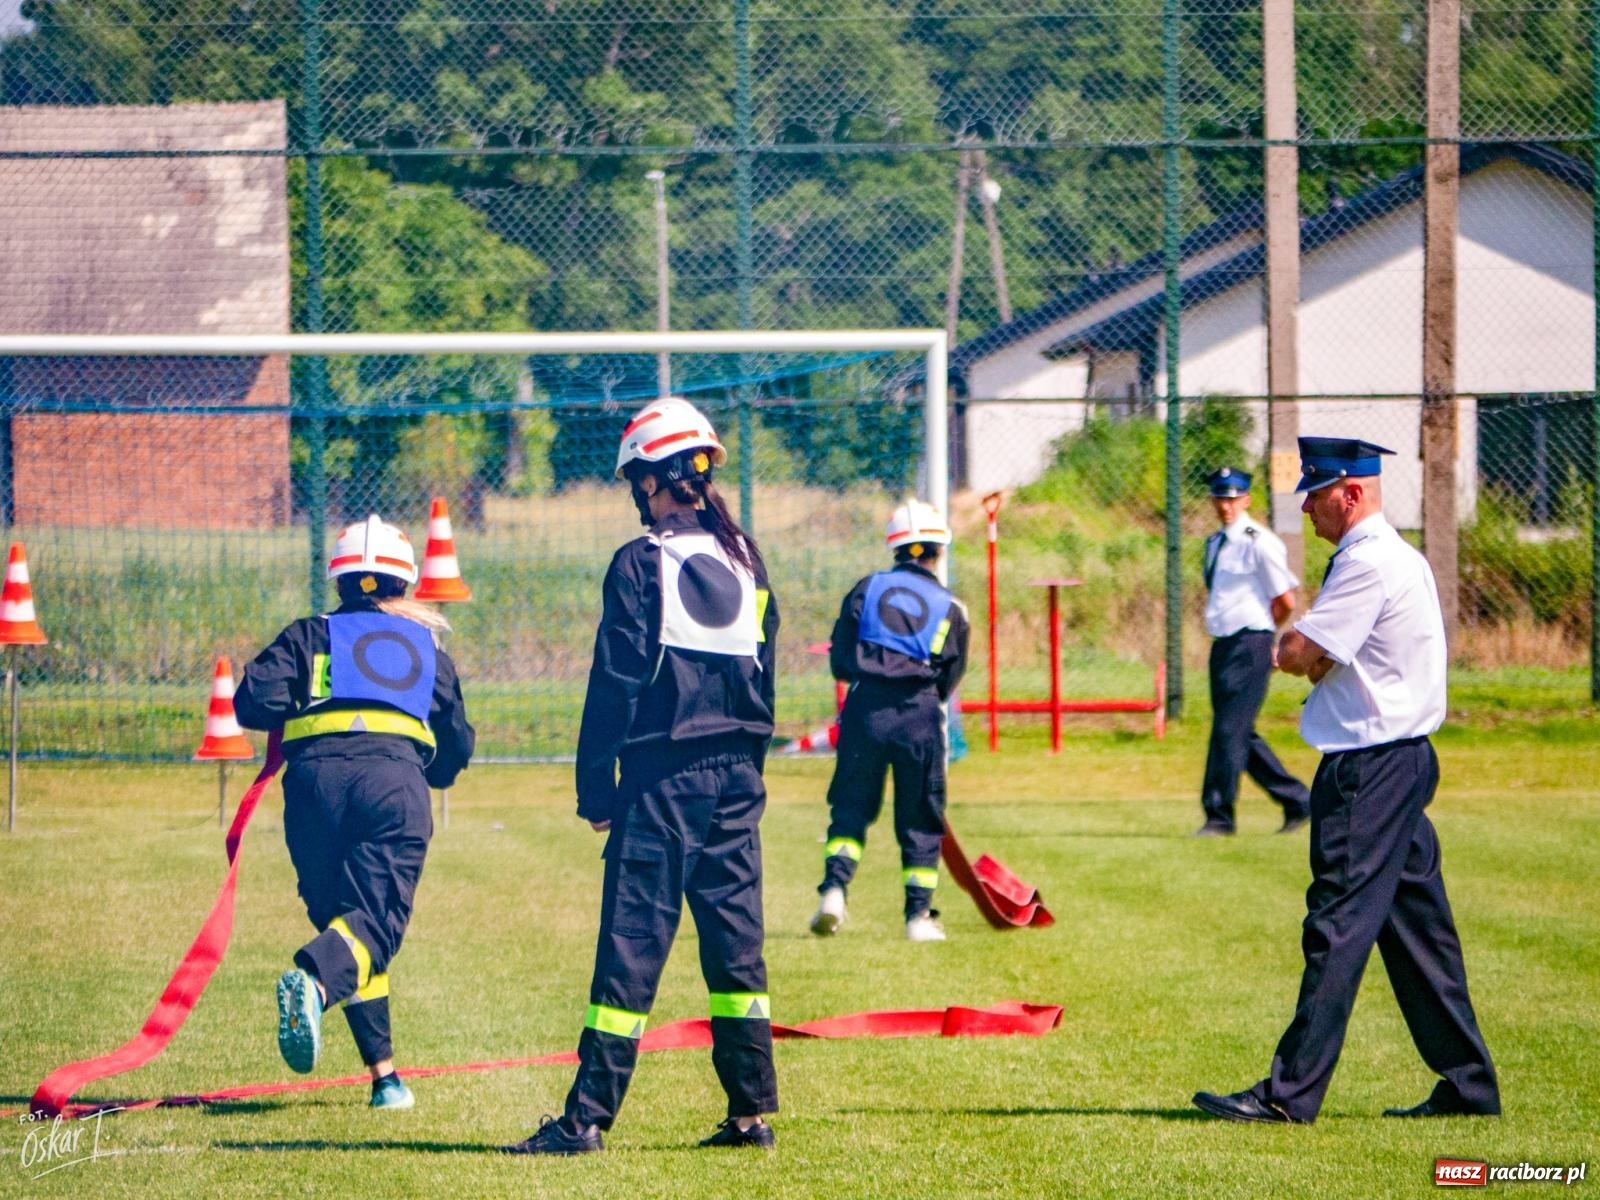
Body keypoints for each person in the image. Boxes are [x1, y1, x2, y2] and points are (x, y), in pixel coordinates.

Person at [1192, 437, 1500, 1124]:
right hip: (1401, 760)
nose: (1306, 503)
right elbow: (1323, 653)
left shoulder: (1366, 564)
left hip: (1369, 769)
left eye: (1317, 490)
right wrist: (1308, 651)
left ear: (1351, 493)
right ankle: (1470, 1088)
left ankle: (1287, 1095)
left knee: (1335, 925)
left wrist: (1294, 649)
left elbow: (1305, 652)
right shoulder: (1393, 557)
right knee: (1422, 934)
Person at [503, 398, 780, 1156]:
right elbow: (766, 680)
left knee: (630, 949)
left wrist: (598, 788)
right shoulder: (747, 559)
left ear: (650, 482)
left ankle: (585, 1120)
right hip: (736, 782)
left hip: (662, 780)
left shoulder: (639, 564)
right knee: (736, 950)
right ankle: (751, 1115)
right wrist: (745, 775)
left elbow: (614, 685)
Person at [234, 514, 476, 1110]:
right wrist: (431, 774)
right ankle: (314, 982)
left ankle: (385, 1079)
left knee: (348, 926)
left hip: (313, 791)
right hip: (392, 788)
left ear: (339, 580)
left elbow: (251, 702)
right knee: (372, 925)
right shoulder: (428, 649)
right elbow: (458, 743)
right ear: (405, 584)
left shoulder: (307, 634)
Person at [810, 499, 970, 943]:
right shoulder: (952, 607)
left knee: (851, 808)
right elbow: (949, 678)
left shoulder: (865, 590)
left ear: (896, 549)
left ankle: (834, 891)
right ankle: (918, 917)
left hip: (865, 713)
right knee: (919, 817)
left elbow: (841, 661)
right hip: (919, 716)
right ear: (938, 551)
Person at [1195, 466, 1311, 837]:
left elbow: (1284, 600)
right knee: (1238, 732)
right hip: (1225, 642)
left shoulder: (1258, 540)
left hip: (1250, 640)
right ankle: (1298, 800)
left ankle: (1219, 814)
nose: (1226, 506)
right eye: (1220, 498)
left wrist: (1265, 639)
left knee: (1229, 730)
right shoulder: (1216, 543)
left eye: (1233, 498)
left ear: (1246, 499)